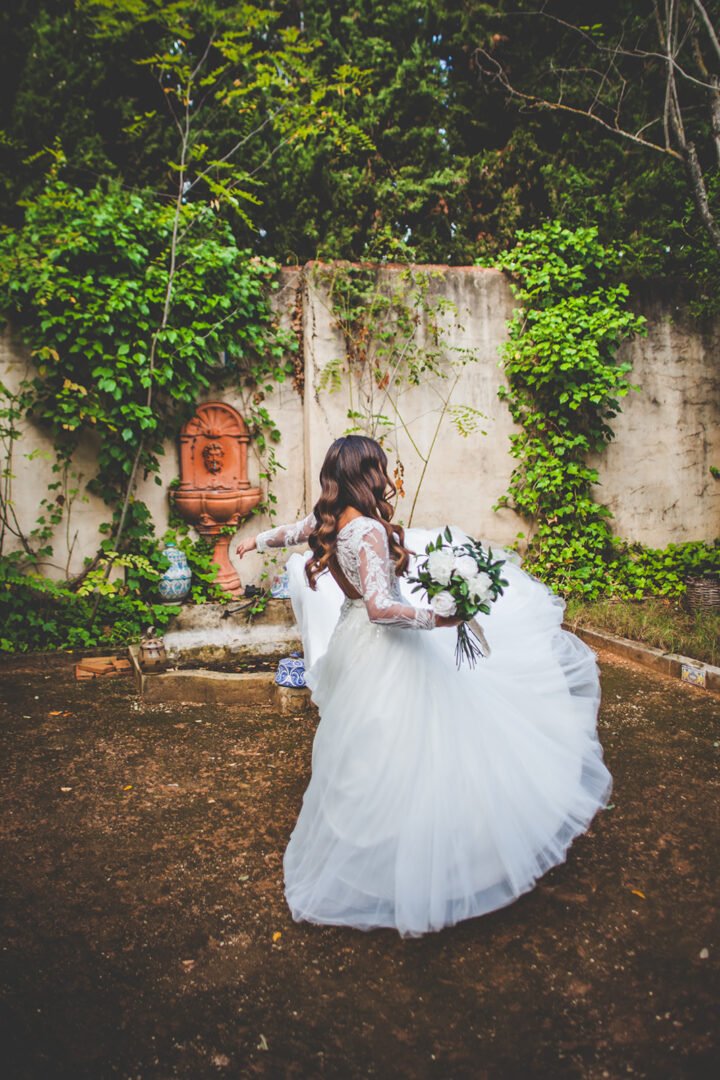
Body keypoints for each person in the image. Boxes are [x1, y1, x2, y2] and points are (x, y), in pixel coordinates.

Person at [236, 435, 611, 937]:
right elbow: (382, 609)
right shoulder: (367, 529)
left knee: (370, 748)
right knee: (419, 743)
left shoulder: (330, 519)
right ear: (368, 472)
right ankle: (429, 862)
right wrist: (442, 618)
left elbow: (291, 533)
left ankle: (377, 855)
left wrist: (253, 541)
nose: (385, 474)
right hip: (385, 649)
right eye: (381, 467)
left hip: (353, 644)